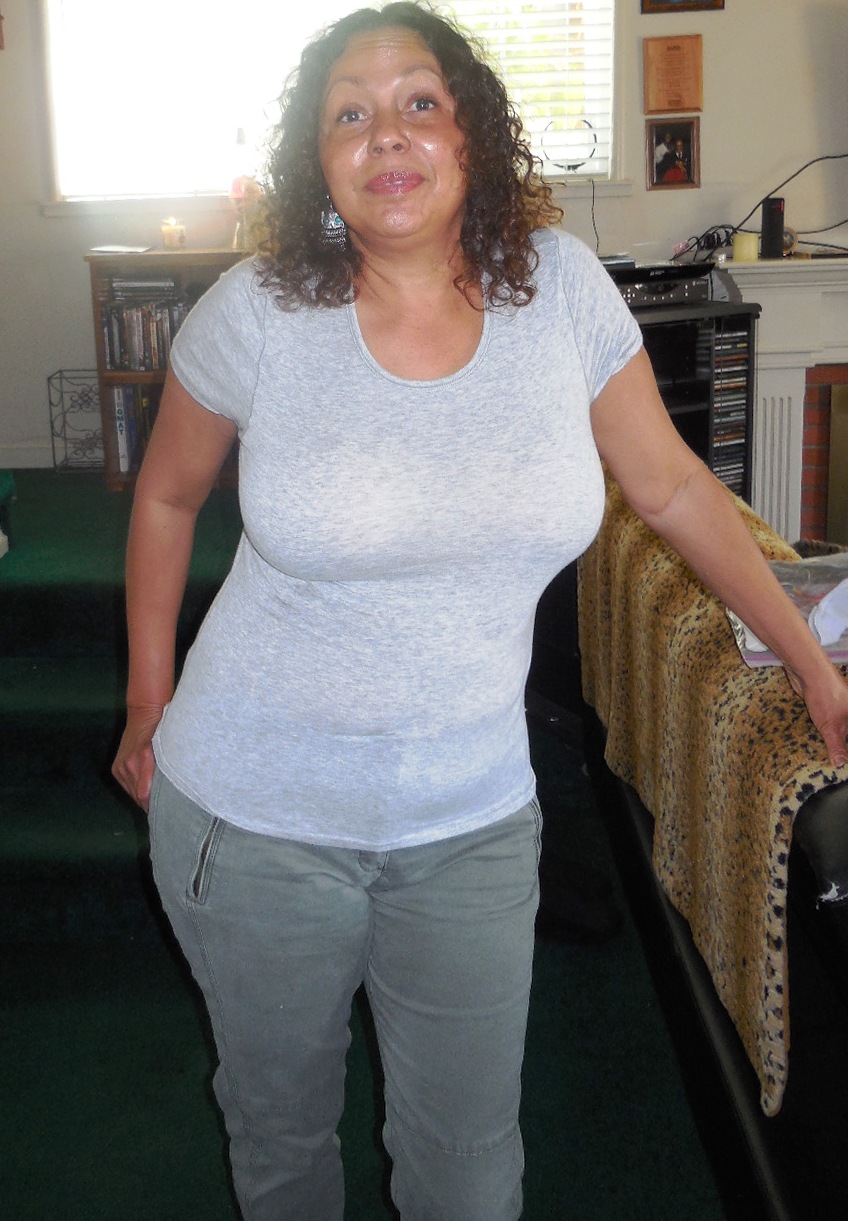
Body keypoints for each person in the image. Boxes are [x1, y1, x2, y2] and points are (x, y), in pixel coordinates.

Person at [112, 3, 848, 1218]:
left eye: (418, 103)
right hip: (252, 820)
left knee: (467, 1170)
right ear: (316, 160)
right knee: (282, 1141)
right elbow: (166, 495)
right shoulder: (257, 310)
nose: (385, 135)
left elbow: (670, 487)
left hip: (470, 824)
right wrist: (148, 696)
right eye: (348, 114)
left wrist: (808, 662)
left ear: (471, 137)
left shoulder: (559, 291)